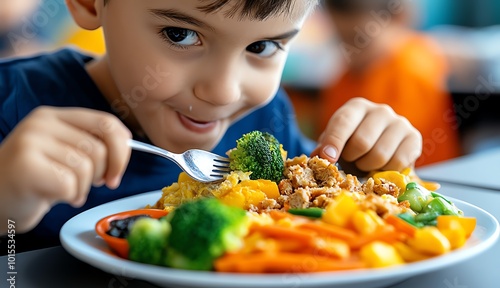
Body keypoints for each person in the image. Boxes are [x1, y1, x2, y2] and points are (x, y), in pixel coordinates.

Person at [0, 0, 422, 252]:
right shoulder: (11, 103)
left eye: (262, 46)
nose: (223, 92)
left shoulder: (268, 117)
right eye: (181, 34)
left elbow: (312, 209)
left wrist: (364, 169)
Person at [319, 0, 461, 167]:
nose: (351, 51)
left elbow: (396, 151)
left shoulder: (411, 69)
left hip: (424, 178)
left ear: (399, 19)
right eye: (341, 40)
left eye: (361, 39)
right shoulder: (345, 76)